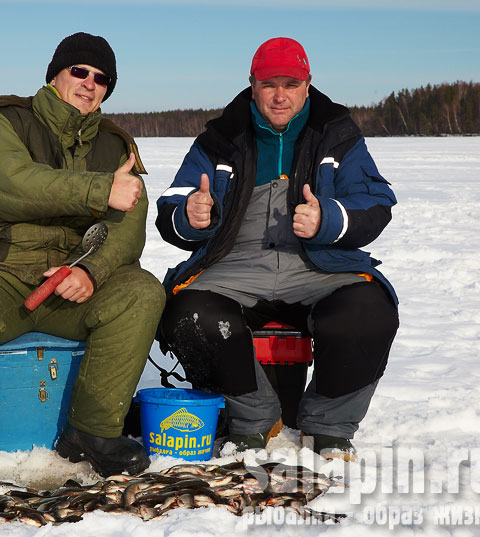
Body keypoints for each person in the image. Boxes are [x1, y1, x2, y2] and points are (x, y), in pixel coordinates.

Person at [0, 32, 165, 484]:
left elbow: (129, 225)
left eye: (101, 78)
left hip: (67, 280)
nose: (89, 83)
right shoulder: (3, 122)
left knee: (142, 291)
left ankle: (93, 433)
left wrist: (90, 270)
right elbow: (11, 184)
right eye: (78, 71)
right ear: (54, 75)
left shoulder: (116, 145)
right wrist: (99, 190)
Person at [155, 37, 399, 461]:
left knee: (368, 310)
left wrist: (329, 219)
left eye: (291, 83)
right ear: (252, 86)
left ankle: (329, 425)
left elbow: (376, 203)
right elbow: (172, 207)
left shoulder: (337, 134)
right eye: (269, 84)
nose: (280, 95)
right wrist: (191, 215)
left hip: (318, 265)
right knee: (188, 313)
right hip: (236, 264)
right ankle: (253, 419)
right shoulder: (219, 138)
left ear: (308, 85)